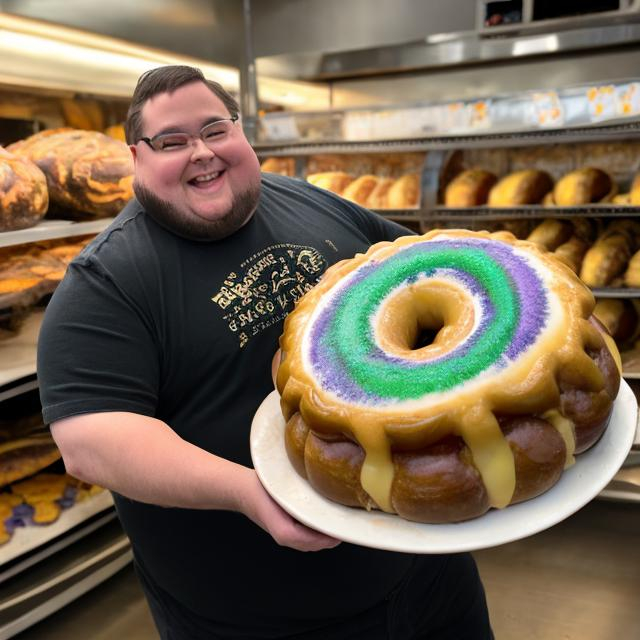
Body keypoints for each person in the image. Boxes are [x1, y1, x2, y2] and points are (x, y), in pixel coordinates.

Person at [37, 65, 494, 640]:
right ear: (136, 159)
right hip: (260, 617)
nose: (201, 153)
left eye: (215, 130)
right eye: (171, 142)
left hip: (427, 567)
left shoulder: (306, 200)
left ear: (241, 131)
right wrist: (250, 493)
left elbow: (424, 267)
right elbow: (92, 442)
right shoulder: (107, 280)